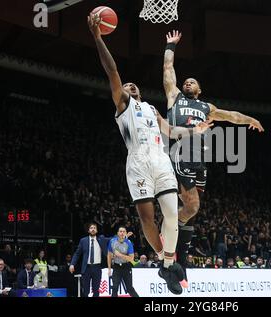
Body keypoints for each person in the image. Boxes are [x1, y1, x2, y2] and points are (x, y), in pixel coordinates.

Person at [87, 14, 211, 295]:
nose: (128, 87)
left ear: (139, 91)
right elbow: (113, 71)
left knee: (171, 214)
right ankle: (166, 262)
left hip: (160, 160)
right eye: (126, 86)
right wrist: (98, 38)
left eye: (133, 86)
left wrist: (196, 131)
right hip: (139, 162)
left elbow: (171, 131)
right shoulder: (123, 106)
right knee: (147, 218)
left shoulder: (152, 110)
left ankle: (167, 263)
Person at [162, 30, 265, 284]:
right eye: (186, 81)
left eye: (192, 82)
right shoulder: (174, 97)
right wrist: (170, 46)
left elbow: (231, 116)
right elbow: (167, 69)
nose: (187, 83)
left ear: (199, 89)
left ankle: (180, 262)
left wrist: (250, 119)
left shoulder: (207, 108)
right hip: (181, 151)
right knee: (192, 207)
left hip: (200, 159)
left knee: (193, 212)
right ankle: (167, 230)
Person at [70, 222, 109, 297]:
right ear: (88, 230)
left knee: (96, 290)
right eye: (91, 228)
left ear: (97, 231)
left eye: (94, 228)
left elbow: (112, 238)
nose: (93, 229)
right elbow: (77, 253)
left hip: (97, 268)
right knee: (85, 290)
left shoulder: (101, 239)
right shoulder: (83, 240)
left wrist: (123, 236)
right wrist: (72, 264)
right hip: (86, 268)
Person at [107, 227, 139, 297]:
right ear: (117, 233)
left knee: (130, 288)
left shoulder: (128, 243)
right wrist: (109, 268)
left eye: (124, 231)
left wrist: (119, 255)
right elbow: (109, 255)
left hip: (126, 267)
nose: (122, 233)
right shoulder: (112, 241)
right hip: (116, 267)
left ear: (126, 233)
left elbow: (131, 258)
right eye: (120, 231)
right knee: (114, 288)